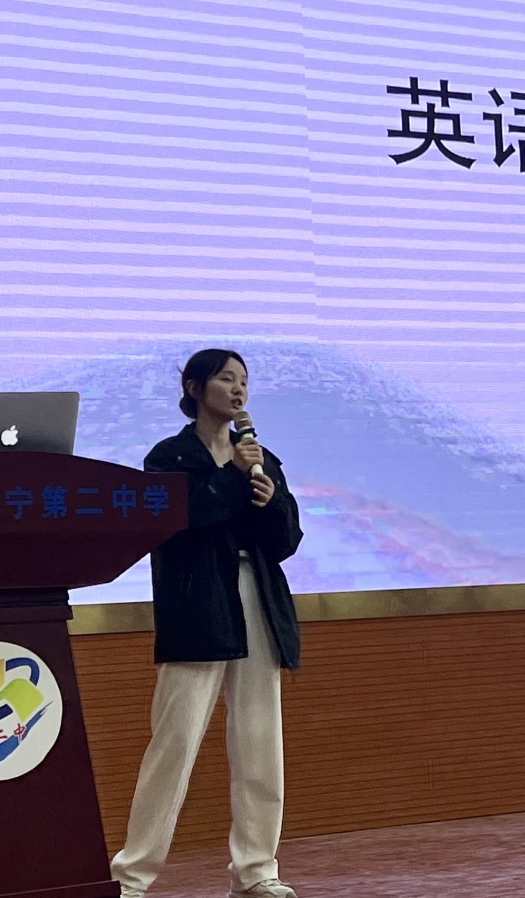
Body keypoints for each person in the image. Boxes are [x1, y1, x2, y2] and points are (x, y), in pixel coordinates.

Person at [112, 349, 303, 898]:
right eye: (226, 379)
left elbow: (286, 540)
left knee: (260, 740)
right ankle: (132, 876)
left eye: (244, 381)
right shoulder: (169, 457)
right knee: (174, 741)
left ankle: (256, 871)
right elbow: (181, 518)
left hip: (257, 596)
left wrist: (268, 500)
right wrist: (233, 477)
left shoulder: (262, 457)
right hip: (198, 604)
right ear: (195, 388)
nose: (239, 390)